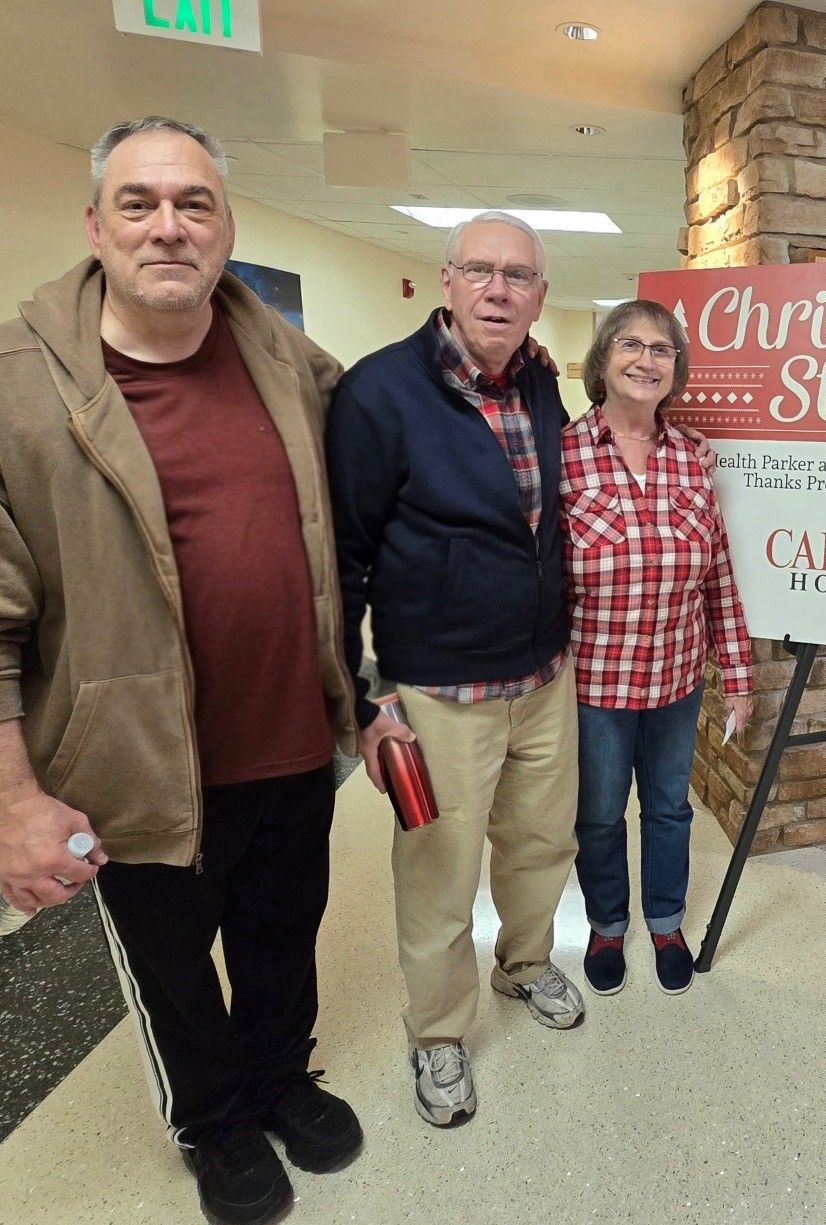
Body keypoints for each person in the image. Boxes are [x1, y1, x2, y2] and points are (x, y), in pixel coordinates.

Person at [0, 116, 362, 1223]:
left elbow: (368, 510)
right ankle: (216, 1121)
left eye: (194, 203)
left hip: (290, 738)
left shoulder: (290, 363)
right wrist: (9, 802)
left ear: (227, 227)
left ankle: (283, 1077)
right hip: (135, 768)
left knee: (283, 929)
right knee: (174, 971)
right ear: (94, 225)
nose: (169, 225)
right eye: (140, 203)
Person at [327, 211, 586, 1130]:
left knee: (540, 843)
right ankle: (438, 1031)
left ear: (540, 298)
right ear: (445, 280)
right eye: (480, 269)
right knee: (439, 868)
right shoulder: (378, 395)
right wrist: (364, 696)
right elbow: (343, 561)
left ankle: (524, 964)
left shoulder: (543, 388)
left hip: (543, 679)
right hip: (438, 693)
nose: (498, 288)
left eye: (518, 275)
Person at [562, 300, 753, 997]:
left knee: (670, 809)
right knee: (599, 814)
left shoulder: (691, 459)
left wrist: (738, 672)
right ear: (603, 360)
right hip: (594, 686)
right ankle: (607, 924)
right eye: (630, 345)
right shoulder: (563, 457)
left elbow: (718, 574)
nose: (646, 360)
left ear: (676, 368)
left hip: (676, 680)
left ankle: (666, 920)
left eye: (662, 349)